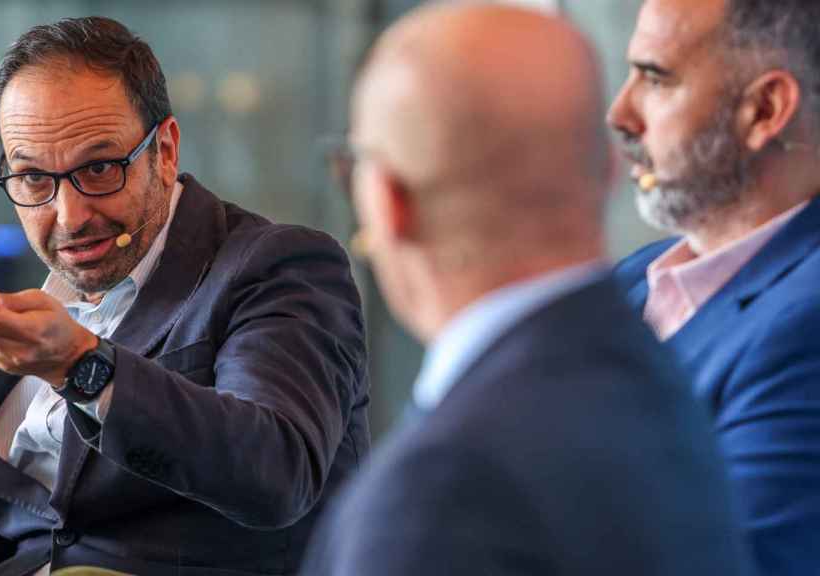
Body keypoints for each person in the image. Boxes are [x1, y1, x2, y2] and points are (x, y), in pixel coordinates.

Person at [0, 16, 369, 576]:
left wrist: (81, 366)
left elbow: (275, 471)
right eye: (33, 179)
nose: (70, 216)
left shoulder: (274, 267)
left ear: (164, 150)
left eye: (99, 168)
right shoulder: (22, 337)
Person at [301, 4, 751, 575]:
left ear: (390, 203)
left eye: (353, 166)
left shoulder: (438, 494)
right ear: (608, 173)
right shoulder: (660, 378)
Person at [609, 0, 820, 573]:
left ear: (764, 109)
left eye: (655, 77)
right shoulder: (625, 281)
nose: (620, 112)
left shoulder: (807, 327)